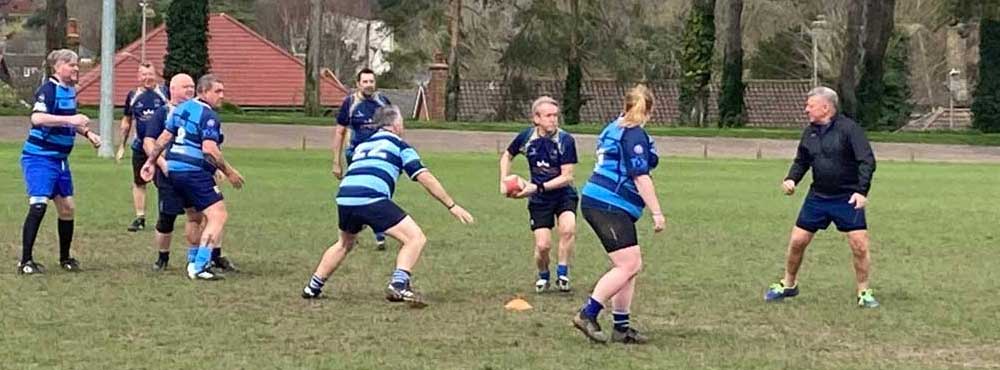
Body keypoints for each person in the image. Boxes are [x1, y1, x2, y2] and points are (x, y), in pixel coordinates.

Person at [301, 105, 474, 307]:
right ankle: (399, 285)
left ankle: (312, 287)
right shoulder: (400, 146)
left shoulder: (362, 145)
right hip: (371, 197)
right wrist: (451, 205)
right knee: (415, 238)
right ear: (396, 124)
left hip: (345, 196)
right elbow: (423, 176)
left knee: (344, 244)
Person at [763, 86, 879, 308]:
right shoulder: (810, 132)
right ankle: (789, 284)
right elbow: (802, 160)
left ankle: (864, 292)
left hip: (847, 197)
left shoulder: (850, 130)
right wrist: (791, 179)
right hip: (818, 197)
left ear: (826, 107)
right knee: (797, 241)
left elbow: (867, 161)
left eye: (810, 105)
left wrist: (861, 192)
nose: (806, 109)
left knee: (859, 245)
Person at [572, 85, 664, 344]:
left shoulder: (613, 127)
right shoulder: (634, 134)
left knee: (628, 266)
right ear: (649, 110)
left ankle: (621, 328)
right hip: (608, 203)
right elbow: (640, 175)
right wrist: (657, 212)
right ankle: (587, 313)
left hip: (605, 202)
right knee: (629, 264)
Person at [141, 74, 245, 280]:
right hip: (194, 172)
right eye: (217, 91)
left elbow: (164, 137)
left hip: (174, 171)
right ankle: (200, 266)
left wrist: (150, 161)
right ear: (204, 92)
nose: (222, 96)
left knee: (194, 216)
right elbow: (210, 149)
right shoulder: (208, 116)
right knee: (218, 215)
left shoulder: (182, 108)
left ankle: (193, 258)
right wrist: (230, 172)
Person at [17, 49, 102, 274]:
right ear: (58, 67)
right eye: (71, 64)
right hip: (39, 157)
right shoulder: (48, 90)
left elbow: (68, 123)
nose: (76, 68)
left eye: (76, 65)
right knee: (38, 205)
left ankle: (65, 258)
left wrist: (87, 133)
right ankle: (25, 261)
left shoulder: (69, 91)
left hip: (60, 160)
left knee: (67, 208)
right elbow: (37, 118)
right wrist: (71, 119)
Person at [499, 96, 578, 293]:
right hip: (540, 200)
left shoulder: (565, 140)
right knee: (543, 246)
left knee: (568, 229)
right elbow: (507, 155)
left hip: (563, 195)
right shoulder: (527, 137)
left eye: (555, 116)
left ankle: (562, 272)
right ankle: (543, 275)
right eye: (548, 116)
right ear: (536, 118)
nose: (553, 119)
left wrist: (537, 187)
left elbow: (567, 177)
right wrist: (504, 178)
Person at [142, 73, 205, 271]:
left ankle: (194, 257)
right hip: (169, 174)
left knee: (195, 214)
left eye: (192, 86)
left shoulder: (199, 111)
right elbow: (148, 141)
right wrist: (160, 162)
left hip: (192, 172)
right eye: (185, 86)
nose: (190, 90)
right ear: (173, 89)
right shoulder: (163, 113)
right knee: (167, 217)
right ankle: (162, 258)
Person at [331, 68, 392, 250]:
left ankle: (377, 232)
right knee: (358, 192)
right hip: (355, 155)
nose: (368, 85)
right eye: (365, 82)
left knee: (379, 191)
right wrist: (336, 161)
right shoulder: (350, 103)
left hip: (378, 155)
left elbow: (393, 128)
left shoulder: (383, 102)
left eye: (371, 81)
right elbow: (340, 131)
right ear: (358, 84)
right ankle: (354, 231)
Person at [118, 63, 169, 232]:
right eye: (144, 75)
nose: (147, 78)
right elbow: (127, 120)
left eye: (150, 74)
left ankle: (164, 215)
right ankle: (140, 217)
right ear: (138, 77)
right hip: (140, 146)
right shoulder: (133, 96)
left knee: (162, 182)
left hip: (160, 147)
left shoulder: (164, 93)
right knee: (139, 181)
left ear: (156, 75)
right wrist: (122, 145)